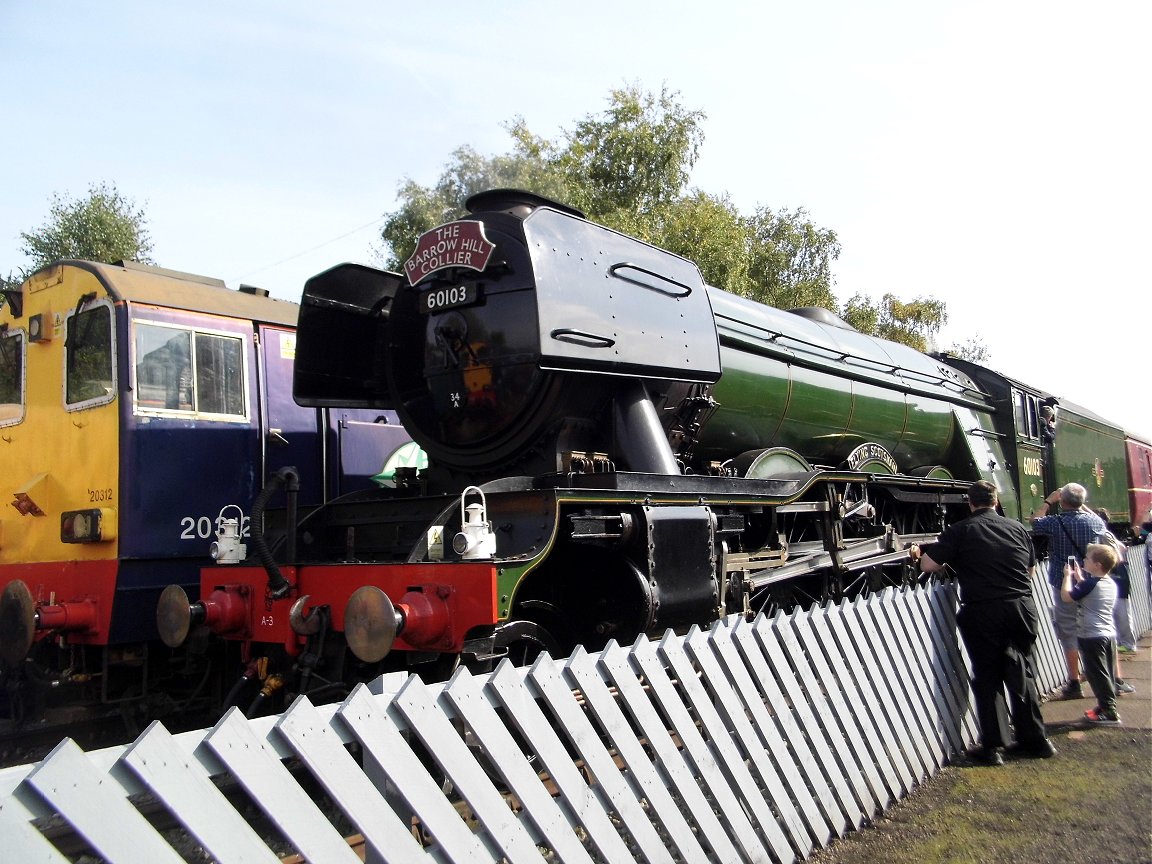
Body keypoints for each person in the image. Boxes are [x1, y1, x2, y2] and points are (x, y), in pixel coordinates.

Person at [911, 480, 1055, 765]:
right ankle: (1037, 741)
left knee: (987, 675)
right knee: (1023, 670)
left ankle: (993, 747)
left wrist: (921, 554)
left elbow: (928, 565)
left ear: (970, 503)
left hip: (984, 610)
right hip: (1021, 608)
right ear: (996, 501)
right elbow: (1030, 571)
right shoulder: (1016, 528)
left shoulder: (961, 530)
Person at [1029, 483, 1107, 699]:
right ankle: (1101, 675)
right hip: (1089, 581)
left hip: (1063, 581)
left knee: (1068, 631)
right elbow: (1101, 523)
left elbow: (1034, 522)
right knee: (1092, 627)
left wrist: (1048, 501)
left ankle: (1074, 681)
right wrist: (1083, 505)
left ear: (1062, 501)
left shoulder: (1055, 522)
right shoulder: (1094, 521)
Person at [1061, 542, 1121, 724]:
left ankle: (1109, 710)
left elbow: (1066, 597)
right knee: (1106, 672)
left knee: (1096, 674)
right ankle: (1104, 705)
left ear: (1097, 565)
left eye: (1088, 558)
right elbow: (1091, 594)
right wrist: (1080, 579)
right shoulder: (1108, 582)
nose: (1084, 560)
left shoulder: (1089, 584)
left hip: (1091, 635)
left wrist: (1067, 577)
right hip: (1107, 634)